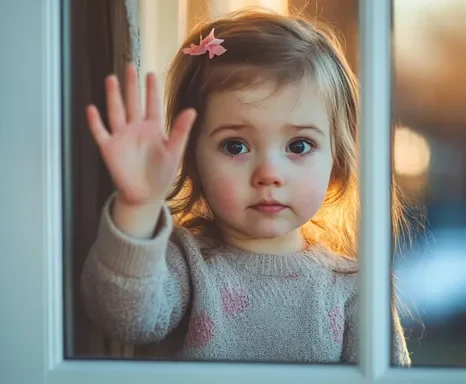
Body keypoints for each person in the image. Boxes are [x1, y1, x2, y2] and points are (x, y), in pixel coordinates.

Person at [80, 7, 411, 365]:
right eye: (235, 146)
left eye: (299, 146)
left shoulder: (354, 289)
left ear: (338, 162)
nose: (269, 173)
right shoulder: (186, 263)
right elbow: (125, 317)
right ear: (193, 159)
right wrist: (138, 205)